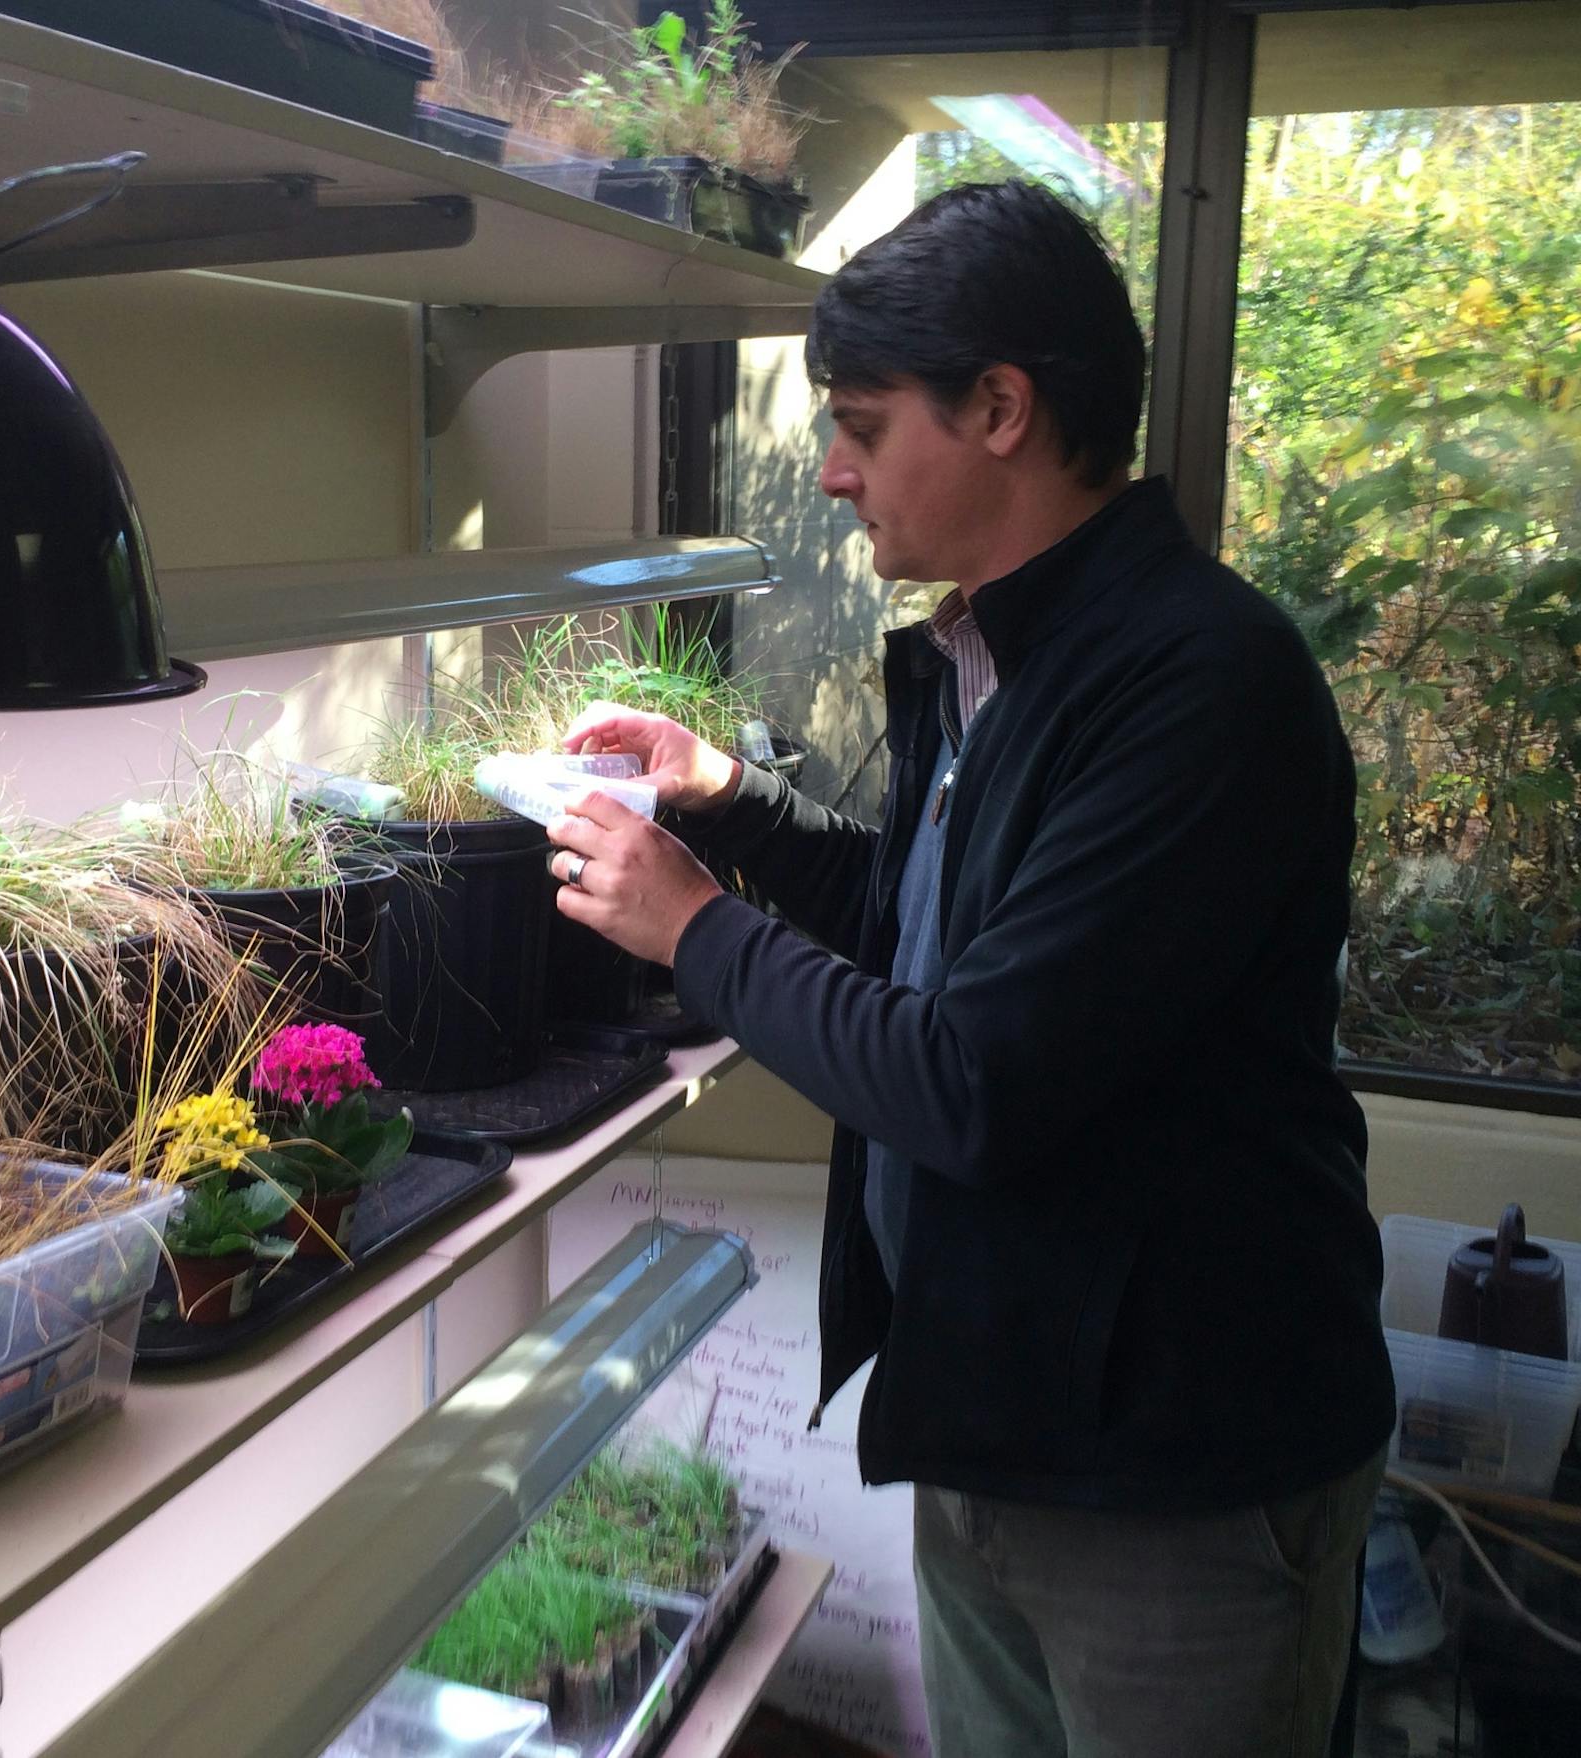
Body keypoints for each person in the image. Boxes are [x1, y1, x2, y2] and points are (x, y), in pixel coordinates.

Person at [545, 180, 1395, 1758]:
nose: (832, 466)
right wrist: (732, 813)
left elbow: (973, 1075)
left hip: (1177, 1483)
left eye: (865, 421)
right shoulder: (1003, 653)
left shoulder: (1198, 685)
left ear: (1003, 409)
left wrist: (690, 927)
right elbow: (930, 920)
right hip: (1000, 1427)